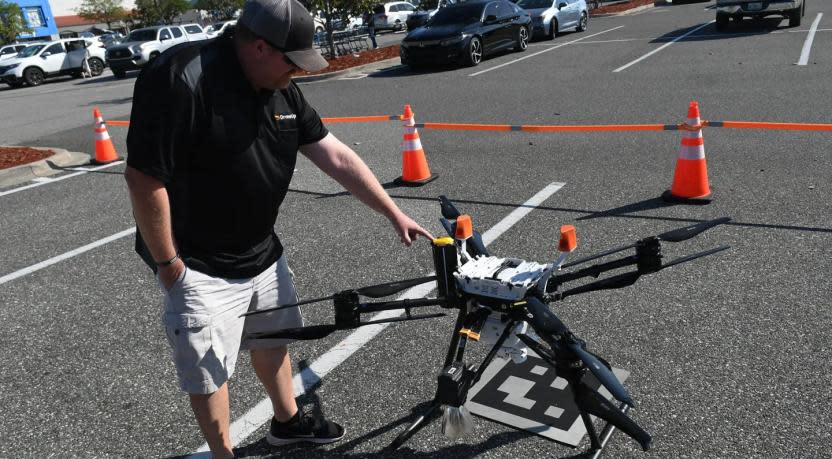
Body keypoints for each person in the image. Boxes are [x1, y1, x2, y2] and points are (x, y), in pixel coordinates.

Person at [124, 0, 433, 457]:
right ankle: (223, 453)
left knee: (274, 339)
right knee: (210, 371)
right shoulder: (181, 80)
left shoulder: (280, 88)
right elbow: (144, 178)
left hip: (261, 250)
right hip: (199, 264)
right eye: (293, 62)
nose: (298, 73)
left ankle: (287, 423)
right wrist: (170, 266)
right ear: (260, 48)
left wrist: (393, 212)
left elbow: (335, 156)